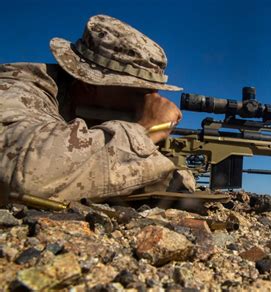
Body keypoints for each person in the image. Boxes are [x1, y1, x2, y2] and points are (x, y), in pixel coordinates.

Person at [0, 15, 195, 202]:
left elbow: (172, 184)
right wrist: (143, 133)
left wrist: (153, 148)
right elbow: (25, 173)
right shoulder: (18, 88)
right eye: (140, 92)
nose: (152, 102)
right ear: (89, 83)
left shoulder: (84, 107)